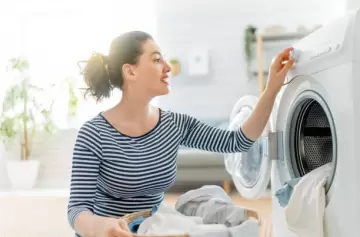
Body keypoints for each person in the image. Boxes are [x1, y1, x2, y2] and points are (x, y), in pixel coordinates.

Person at [67, 30, 294, 237]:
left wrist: (272, 88)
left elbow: (237, 141)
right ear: (130, 71)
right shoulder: (93, 134)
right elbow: (77, 210)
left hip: (153, 230)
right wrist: (101, 227)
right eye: (156, 59)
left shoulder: (174, 124)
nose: (167, 67)